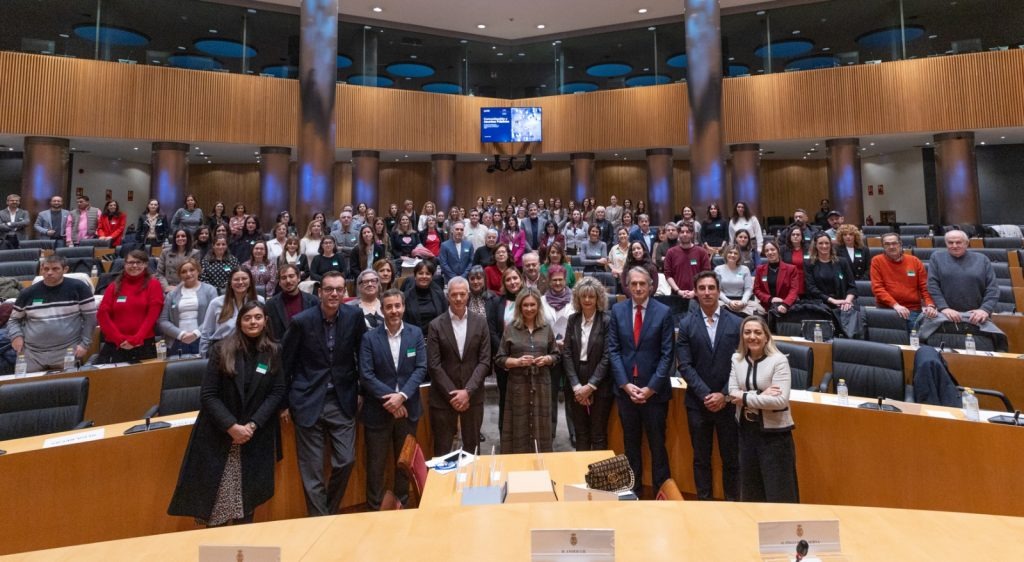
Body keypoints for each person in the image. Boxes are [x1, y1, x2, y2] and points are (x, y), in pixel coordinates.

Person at [167, 301, 288, 526]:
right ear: (239, 321)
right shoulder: (222, 349)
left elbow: (277, 392)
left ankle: (243, 555)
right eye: (248, 318)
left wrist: (253, 425)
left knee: (247, 504)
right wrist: (232, 427)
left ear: (265, 321)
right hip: (220, 436)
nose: (253, 322)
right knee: (218, 508)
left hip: (254, 438)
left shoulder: (273, 351)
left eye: (258, 317)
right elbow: (209, 395)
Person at [282, 271, 366, 516]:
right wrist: (284, 403)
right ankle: (320, 523)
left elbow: (363, 355)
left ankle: (326, 511)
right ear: (319, 292)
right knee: (312, 471)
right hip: (308, 401)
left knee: (346, 460)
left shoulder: (354, 316)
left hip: (342, 399)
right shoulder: (301, 321)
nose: (334, 294)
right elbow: (285, 364)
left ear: (344, 292)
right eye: (329, 289)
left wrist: (360, 389)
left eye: (339, 289)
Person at [607, 267, 675, 496]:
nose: (637, 288)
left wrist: (650, 388)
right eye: (633, 284)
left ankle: (661, 493)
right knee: (630, 446)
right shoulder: (617, 310)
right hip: (627, 391)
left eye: (642, 284)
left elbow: (667, 355)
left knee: (658, 446)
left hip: (654, 393)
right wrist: (625, 385)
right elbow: (614, 351)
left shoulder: (664, 312)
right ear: (627, 285)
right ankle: (632, 493)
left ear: (651, 286)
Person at [358, 289, 427, 510]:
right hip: (379, 411)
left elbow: (421, 368)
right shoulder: (369, 338)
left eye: (397, 306)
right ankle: (375, 509)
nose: (394, 310)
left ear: (403, 307)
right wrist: (391, 400)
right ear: (382, 309)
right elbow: (366, 374)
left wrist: (402, 396)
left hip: (408, 409)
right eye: (389, 307)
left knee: (404, 462)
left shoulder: (415, 334)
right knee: (376, 465)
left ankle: (402, 506)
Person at [676, 271, 742, 501]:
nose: (707, 292)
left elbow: (741, 364)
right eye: (702, 288)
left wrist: (723, 395)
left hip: (730, 403)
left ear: (718, 290)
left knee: (731, 459)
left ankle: (733, 503)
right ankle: (704, 503)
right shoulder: (686, 325)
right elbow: (684, 365)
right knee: (701, 459)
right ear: (695, 292)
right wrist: (707, 395)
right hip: (698, 403)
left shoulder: (737, 323)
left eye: (711, 288)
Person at [727, 315, 799, 503]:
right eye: (747, 332)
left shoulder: (779, 360)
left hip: (775, 435)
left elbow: (780, 401)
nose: (752, 336)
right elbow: (731, 393)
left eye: (758, 332)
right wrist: (761, 394)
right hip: (747, 432)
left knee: (779, 493)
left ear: (766, 336)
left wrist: (745, 397)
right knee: (751, 491)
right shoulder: (737, 359)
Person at [426, 276, 491, 454]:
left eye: (462, 294)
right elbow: (434, 365)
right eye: (454, 294)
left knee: (473, 448)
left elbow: (485, 360)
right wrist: (454, 395)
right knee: (443, 450)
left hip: (473, 396)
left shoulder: (480, 322)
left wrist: (467, 391)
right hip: (443, 397)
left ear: (468, 295)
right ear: (448, 296)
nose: (458, 298)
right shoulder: (435, 325)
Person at [495, 287, 560, 453]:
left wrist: (547, 359)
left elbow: (556, 355)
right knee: (519, 427)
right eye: (525, 305)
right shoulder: (510, 329)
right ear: (519, 307)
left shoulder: (546, 328)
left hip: (541, 386)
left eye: (532, 305)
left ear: (538, 306)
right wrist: (516, 362)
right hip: (518, 386)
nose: (529, 308)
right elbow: (499, 359)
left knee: (541, 428)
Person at [8, 255, 96, 371]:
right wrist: (16, 336)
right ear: (41, 270)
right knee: (28, 387)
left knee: (66, 387)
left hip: (67, 351)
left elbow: (90, 318)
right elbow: (14, 320)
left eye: (55, 269)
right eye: (46, 269)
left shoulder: (79, 288)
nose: (49, 272)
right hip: (32, 353)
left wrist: (85, 344)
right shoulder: (27, 293)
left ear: (65, 270)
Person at [923, 230, 1004, 341]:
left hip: (976, 317)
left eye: (958, 242)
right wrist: (944, 308)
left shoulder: (982, 259)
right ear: (946, 243)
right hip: (946, 317)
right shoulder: (937, 257)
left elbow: (992, 289)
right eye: (950, 243)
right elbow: (932, 286)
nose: (954, 246)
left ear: (966, 243)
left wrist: (984, 310)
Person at [561, 277, 613, 451]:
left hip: (599, 381)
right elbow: (566, 353)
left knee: (598, 434)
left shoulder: (606, 320)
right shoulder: (573, 320)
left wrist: (591, 386)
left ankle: (599, 477)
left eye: (591, 296)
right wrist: (576, 386)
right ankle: (581, 475)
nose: (587, 300)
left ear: (598, 298)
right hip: (576, 378)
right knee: (581, 433)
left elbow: (607, 356)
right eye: (584, 296)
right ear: (578, 298)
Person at [96, 250, 164, 363]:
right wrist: (119, 339)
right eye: (131, 262)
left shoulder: (153, 284)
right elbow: (102, 314)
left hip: (144, 343)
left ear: (146, 264)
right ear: (125, 264)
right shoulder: (114, 286)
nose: (135, 266)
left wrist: (136, 339)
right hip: (115, 344)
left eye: (139, 262)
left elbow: (152, 316)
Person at [870, 233, 937, 331]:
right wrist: (895, 305)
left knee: (914, 341)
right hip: (888, 309)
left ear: (900, 244)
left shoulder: (914, 261)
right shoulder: (877, 261)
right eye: (887, 244)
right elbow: (877, 288)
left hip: (913, 310)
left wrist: (930, 304)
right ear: (883, 246)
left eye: (894, 243)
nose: (891, 246)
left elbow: (924, 286)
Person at [486, 266, 524, 433]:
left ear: (521, 279)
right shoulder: (497, 301)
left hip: (526, 358)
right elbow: (492, 330)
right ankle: (505, 435)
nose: (512, 282)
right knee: (505, 398)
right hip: (505, 360)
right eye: (508, 279)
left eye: (515, 278)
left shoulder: (530, 298)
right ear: (504, 283)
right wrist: (504, 352)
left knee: (524, 399)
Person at [543, 265, 575, 446]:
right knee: (551, 394)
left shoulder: (575, 300)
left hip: (570, 352)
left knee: (571, 394)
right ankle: (550, 432)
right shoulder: (541, 301)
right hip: (550, 354)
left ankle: (574, 433)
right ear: (549, 281)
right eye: (554, 280)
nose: (557, 283)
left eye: (560, 280)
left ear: (565, 280)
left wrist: (567, 342)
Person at [159, 258, 218, 356]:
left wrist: (195, 333)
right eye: (184, 271)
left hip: (203, 339)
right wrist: (181, 335)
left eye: (192, 270)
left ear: (198, 270)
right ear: (179, 275)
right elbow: (163, 321)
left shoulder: (210, 290)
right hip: (177, 341)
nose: (188, 274)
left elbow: (215, 317)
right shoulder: (172, 294)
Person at [200, 268, 264, 355]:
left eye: (244, 278)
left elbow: (264, 329)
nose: (240, 282)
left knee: (260, 368)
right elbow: (206, 333)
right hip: (222, 351)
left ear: (250, 282)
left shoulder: (259, 300)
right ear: (230, 283)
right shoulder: (216, 303)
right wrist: (203, 357)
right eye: (236, 279)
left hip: (251, 349)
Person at [803, 232, 858, 333]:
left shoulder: (842, 262)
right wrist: (833, 301)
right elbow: (811, 288)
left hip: (844, 303)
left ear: (831, 244)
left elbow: (852, 286)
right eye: (820, 243)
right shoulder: (809, 264)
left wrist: (847, 301)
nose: (824, 246)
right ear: (815, 245)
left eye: (827, 243)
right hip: (821, 305)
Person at [265, 263, 319, 340]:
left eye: (291, 276)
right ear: (279, 282)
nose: (288, 281)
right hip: (281, 349)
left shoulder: (313, 301)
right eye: (283, 278)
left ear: (298, 278)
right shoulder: (271, 304)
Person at [753, 241, 802, 324]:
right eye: (767, 250)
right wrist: (770, 299)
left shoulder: (791, 269)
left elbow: (794, 290)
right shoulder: (760, 269)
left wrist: (785, 304)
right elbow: (756, 289)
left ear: (778, 250)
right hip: (766, 307)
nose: (770, 252)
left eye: (772, 249)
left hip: (787, 307)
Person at [664, 223, 712, 303]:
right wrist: (678, 291)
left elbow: (706, 274)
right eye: (682, 232)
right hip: (677, 295)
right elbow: (668, 275)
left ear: (692, 234)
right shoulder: (671, 252)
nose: (685, 234)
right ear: (678, 234)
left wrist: (695, 291)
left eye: (687, 232)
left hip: (698, 296)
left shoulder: (701, 252)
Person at [716, 244, 763, 317]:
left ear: (739, 256)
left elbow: (748, 289)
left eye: (735, 253)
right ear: (726, 254)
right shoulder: (718, 269)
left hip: (742, 300)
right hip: (724, 301)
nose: (732, 255)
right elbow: (717, 290)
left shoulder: (745, 269)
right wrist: (729, 302)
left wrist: (743, 302)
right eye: (730, 252)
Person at [403, 260, 447, 332]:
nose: (424, 276)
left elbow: (445, 318)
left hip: (435, 337)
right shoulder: (406, 296)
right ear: (415, 276)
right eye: (420, 273)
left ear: (432, 277)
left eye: (427, 274)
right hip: (413, 338)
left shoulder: (439, 295)